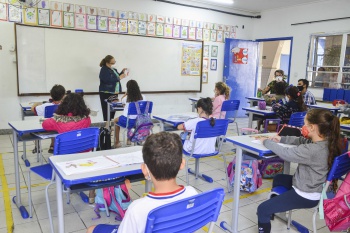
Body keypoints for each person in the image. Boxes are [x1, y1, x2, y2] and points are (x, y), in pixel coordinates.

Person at [86, 132, 198, 233]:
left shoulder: (137, 208)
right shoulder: (192, 194)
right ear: (182, 164)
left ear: (145, 170)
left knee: (91, 229)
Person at [257, 109, 342, 233]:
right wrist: (282, 139)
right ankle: (276, 210)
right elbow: (301, 141)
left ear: (312, 127)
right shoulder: (327, 142)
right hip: (317, 187)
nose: (303, 127)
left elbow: (286, 154)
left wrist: (266, 141)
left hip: (306, 194)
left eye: (305, 124)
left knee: (262, 209)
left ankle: (267, 212)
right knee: (279, 178)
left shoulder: (313, 150)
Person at [42, 93, 93, 203]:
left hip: (64, 162)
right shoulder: (87, 119)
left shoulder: (57, 121)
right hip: (84, 158)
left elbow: (45, 125)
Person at [31, 84, 66, 153]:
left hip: (47, 130)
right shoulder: (66, 106)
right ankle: (53, 145)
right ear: (63, 95)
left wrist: (36, 103)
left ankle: (38, 147)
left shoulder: (45, 106)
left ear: (51, 95)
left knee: (49, 122)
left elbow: (33, 109)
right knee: (56, 123)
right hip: (62, 129)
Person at [113, 80, 145, 148]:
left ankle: (117, 142)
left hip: (129, 121)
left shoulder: (126, 98)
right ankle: (128, 140)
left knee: (116, 121)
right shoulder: (143, 97)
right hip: (140, 121)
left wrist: (125, 94)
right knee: (131, 119)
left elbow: (122, 103)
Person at [99, 55, 128, 121]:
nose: (115, 61)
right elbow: (107, 80)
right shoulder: (104, 69)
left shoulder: (113, 69)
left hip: (114, 92)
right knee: (107, 110)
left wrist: (122, 72)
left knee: (113, 109)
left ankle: (111, 124)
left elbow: (116, 77)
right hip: (106, 92)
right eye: (113, 60)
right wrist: (119, 78)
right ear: (108, 61)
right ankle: (107, 126)